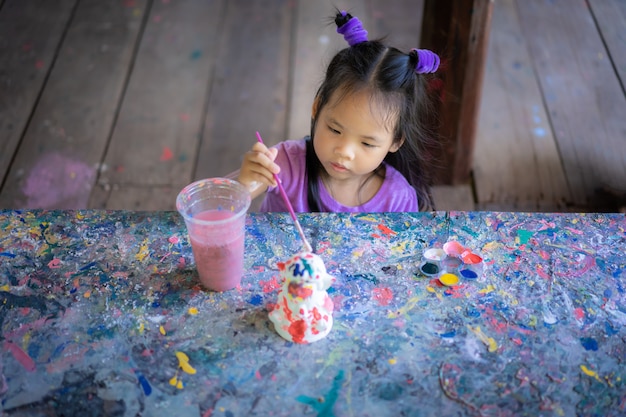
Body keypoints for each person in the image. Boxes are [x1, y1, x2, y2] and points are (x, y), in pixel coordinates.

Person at [238, 10, 441, 212]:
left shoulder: (397, 199)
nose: (344, 151)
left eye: (367, 143)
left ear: (396, 141)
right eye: (335, 130)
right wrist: (244, 185)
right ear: (317, 108)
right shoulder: (283, 165)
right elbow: (218, 212)